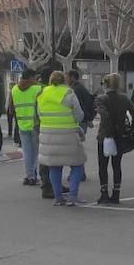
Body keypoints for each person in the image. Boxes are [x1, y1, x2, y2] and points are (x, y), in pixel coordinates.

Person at [36, 70, 86, 206]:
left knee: (54, 166)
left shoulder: (42, 94)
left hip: (47, 134)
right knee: (78, 165)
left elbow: (39, 114)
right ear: (64, 80)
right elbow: (79, 114)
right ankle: (73, 196)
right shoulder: (68, 93)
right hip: (68, 133)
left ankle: (58, 197)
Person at [96, 73, 134, 205]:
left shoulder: (101, 99)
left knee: (103, 166)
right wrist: (131, 128)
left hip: (104, 134)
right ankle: (116, 193)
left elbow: (104, 115)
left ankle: (104, 193)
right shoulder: (124, 98)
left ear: (106, 84)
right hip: (119, 134)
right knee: (116, 165)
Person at [10, 68, 41, 185]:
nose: (36, 80)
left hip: (21, 125)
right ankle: (32, 176)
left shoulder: (14, 89)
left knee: (27, 152)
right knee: (35, 153)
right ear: (31, 78)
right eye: (35, 78)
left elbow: (10, 108)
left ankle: (29, 176)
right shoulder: (37, 89)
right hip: (34, 125)